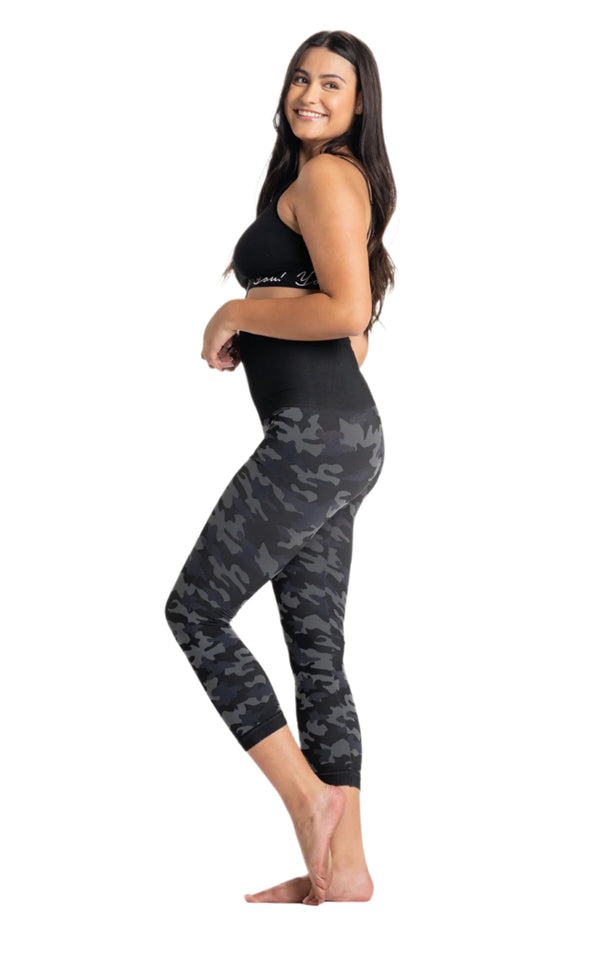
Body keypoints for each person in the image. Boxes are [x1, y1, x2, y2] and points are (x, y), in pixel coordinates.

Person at [164, 29, 396, 905]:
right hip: (339, 438)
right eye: (301, 78)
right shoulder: (314, 181)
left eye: (333, 84)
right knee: (317, 653)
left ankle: (308, 802)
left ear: (360, 103)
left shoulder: (330, 176)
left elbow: (347, 312)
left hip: (315, 441)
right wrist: (265, 321)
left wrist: (237, 310)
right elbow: (352, 337)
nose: (310, 94)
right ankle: (346, 871)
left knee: (195, 611)